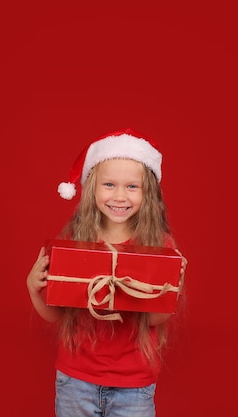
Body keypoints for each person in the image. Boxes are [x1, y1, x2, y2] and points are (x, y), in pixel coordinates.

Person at [26, 129, 188, 417]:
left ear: (147, 192)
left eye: (132, 187)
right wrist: (33, 288)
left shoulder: (159, 246)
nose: (119, 196)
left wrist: (170, 288)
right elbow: (56, 314)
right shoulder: (77, 238)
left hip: (133, 386)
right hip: (76, 380)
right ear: (92, 188)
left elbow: (154, 319)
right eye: (109, 184)